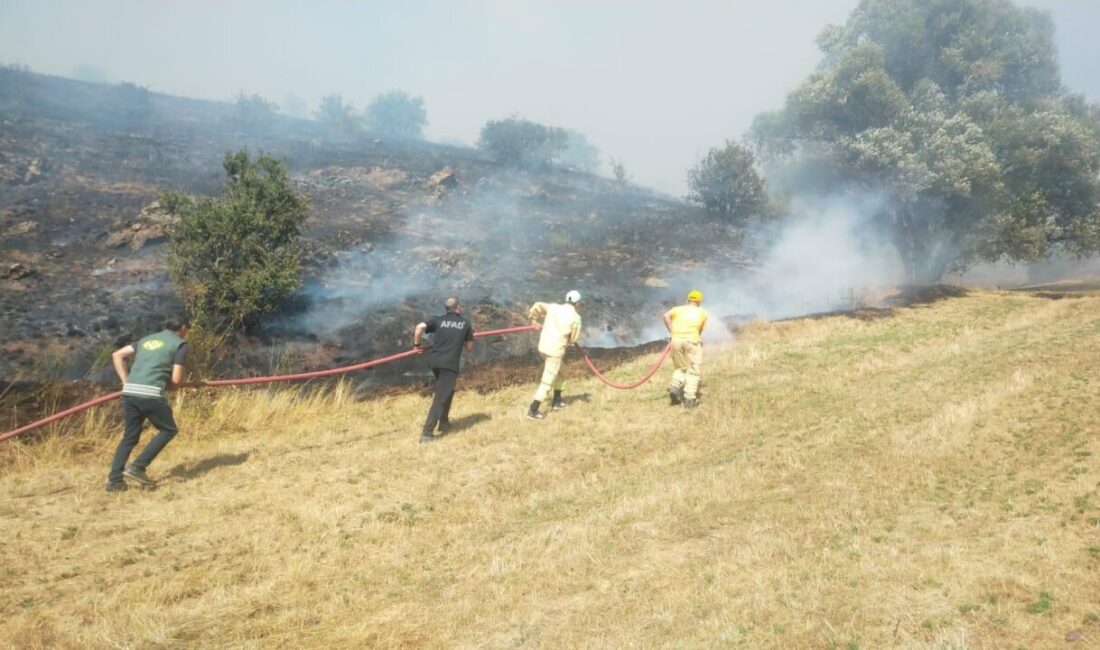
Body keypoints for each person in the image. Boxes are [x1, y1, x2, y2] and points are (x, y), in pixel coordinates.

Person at [105, 316, 190, 492]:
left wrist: (125, 382)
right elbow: (176, 380)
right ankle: (138, 467)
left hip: (130, 392)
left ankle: (114, 482)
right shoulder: (180, 344)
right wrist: (174, 386)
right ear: (182, 327)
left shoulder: (146, 339)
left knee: (130, 437)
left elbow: (118, 355)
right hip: (150, 394)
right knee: (168, 429)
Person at [413, 297, 474, 443]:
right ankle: (426, 433)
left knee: (448, 390)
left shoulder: (438, 320)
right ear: (458, 307)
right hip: (449, 364)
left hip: (435, 362)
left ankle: (444, 422)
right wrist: (467, 336)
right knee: (440, 397)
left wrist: (417, 345)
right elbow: (469, 348)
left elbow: (419, 327)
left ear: (446, 309)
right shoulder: (465, 324)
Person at [526, 290, 583, 420]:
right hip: (555, 352)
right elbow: (573, 340)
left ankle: (557, 401)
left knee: (562, 372)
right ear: (578, 303)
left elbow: (538, 306)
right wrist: (569, 340)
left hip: (543, 347)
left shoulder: (553, 308)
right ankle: (533, 410)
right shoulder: (576, 318)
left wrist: (533, 319)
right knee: (548, 380)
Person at [663, 290, 708, 409]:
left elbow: (665, 316)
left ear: (688, 300)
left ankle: (674, 387)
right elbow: (699, 331)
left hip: (676, 340)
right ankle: (689, 399)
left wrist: (672, 331)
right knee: (693, 370)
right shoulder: (702, 313)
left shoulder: (677, 309)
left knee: (680, 367)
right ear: (699, 302)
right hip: (692, 340)